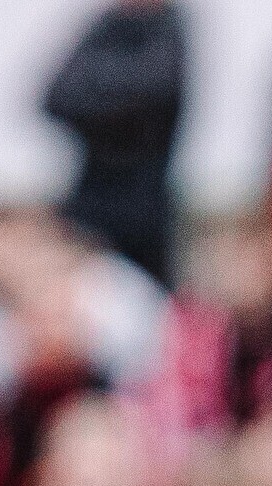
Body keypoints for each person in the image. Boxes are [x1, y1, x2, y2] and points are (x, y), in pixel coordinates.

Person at [41, 0, 188, 287]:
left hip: (145, 218)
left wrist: (96, 88)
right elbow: (55, 96)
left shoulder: (168, 31)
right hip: (88, 213)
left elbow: (155, 92)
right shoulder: (105, 26)